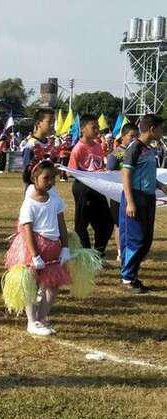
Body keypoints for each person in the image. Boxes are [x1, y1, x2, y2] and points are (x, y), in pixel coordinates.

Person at [5, 160, 71, 336]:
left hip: (53, 247)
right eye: (46, 178)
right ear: (35, 178)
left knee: (53, 285)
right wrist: (35, 255)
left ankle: (41, 317)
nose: (50, 182)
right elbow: (27, 229)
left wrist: (65, 247)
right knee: (31, 284)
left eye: (53, 178)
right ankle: (31, 320)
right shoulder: (29, 203)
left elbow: (61, 225)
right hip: (35, 247)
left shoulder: (55, 200)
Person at [119, 114, 166, 294]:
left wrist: (160, 186)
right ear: (152, 129)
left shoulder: (149, 149)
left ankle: (133, 276)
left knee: (146, 241)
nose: (162, 132)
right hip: (135, 198)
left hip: (148, 198)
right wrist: (130, 202)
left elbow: (146, 174)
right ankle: (127, 278)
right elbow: (126, 175)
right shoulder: (134, 148)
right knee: (135, 239)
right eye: (160, 128)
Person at [68, 115, 112, 257]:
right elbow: (72, 171)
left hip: (98, 188)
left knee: (107, 223)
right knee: (82, 224)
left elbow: (101, 165)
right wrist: (88, 177)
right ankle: (87, 255)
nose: (97, 130)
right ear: (83, 129)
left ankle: (98, 252)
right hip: (83, 188)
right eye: (94, 127)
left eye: (98, 127)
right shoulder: (78, 148)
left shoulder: (98, 145)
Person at [105, 123, 138, 263]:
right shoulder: (117, 153)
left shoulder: (138, 151)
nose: (134, 139)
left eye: (136, 136)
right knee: (119, 223)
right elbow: (109, 172)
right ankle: (120, 252)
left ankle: (132, 250)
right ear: (123, 137)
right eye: (131, 136)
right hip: (118, 193)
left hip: (135, 192)